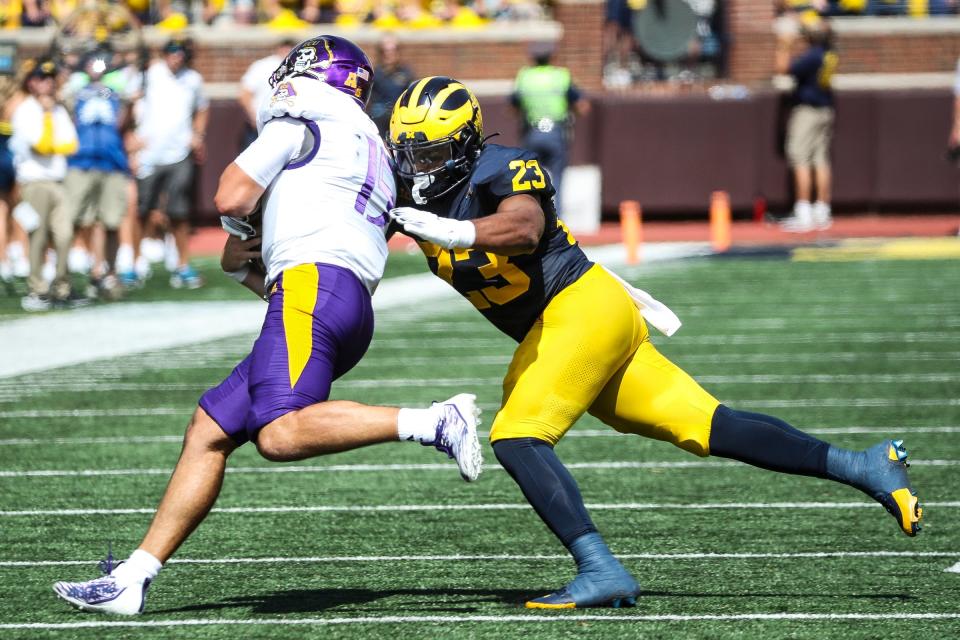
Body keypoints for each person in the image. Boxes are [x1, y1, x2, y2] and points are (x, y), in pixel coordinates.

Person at [386, 76, 923, 609]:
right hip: (568, 326)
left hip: (579, 307)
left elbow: (524, 227)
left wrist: (456, 232)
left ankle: (600, 568)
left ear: (464, 143)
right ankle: (863, 465)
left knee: (517, 436)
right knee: (706, 423)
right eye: (408, 154)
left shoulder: (500, 166)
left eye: (430, 153)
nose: (418, 168)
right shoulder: (406, 188)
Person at [52, 37, 482, 617]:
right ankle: (134, 576)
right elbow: (262, 258)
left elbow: (230, 193)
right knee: (208, 429)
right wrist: (255, 250)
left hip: (314, 288)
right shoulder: (367, 146)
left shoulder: (304, 119)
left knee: (278, 432)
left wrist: (243, 218)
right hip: (338, 300)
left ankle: (433, 420)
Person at [132, 37, 208, 289]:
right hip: (150, 154)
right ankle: (134, 264)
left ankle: (182, 265)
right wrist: (131, 138)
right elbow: (129, 103)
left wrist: (197, 135)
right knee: (142, 211)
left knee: (179, 212)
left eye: (181, 52)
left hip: (179, 153)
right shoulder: (148, 74)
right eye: (172, 51)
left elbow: (202, 108)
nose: (177, 56)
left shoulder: (193, 79)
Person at [9, 58, 80, 311]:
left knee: (65, 235)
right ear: (32, 83)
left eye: (50, 79)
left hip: (57, 181)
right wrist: (48, 118)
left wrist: (52, 118)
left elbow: (72, 145)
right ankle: (37, 289)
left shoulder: (59, 110)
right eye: (42, 79)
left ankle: (62, 286)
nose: (48, 83)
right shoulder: (27, 110)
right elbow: (41, 145)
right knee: (37, 238)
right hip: (34, 181)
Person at [63, 46, 131, 300]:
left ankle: (107, 273)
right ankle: (67, 273)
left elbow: (124, 122)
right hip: (80, 161)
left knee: (111, 221)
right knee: (75, 219)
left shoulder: (118, 92)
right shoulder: (73, 91)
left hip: (112, 162)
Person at [510, 42, 589, 216]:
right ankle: (556, 222)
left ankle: (528, 218)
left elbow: (513, 107)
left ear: (532, 58)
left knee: (528, 182)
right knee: (557, 182)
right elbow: (582, 106)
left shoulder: (524, 76)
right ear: (552, 57)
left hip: (531, 133)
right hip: (555, 133)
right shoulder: (561, 76)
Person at [775, 13, 837, 232]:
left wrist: (784, 44)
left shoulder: (813, 56)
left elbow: (782, 68)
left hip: (808, 111)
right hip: (825, 109)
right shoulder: (829, 53)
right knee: (820, 160)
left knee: (800, 157)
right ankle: (821, 209)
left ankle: (804, 212)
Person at [238, 38, 296, 150]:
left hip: (286, 128)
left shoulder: (297, 68)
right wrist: (253, 117)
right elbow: (244, 93)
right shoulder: (263, 66)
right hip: (261, 124)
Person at [366, 34, 415, 137]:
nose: (389, 54)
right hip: (378, 118)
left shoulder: (406, 73)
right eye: (385, 50)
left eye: (393, 50)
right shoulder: (374, 74)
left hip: (400, 117)